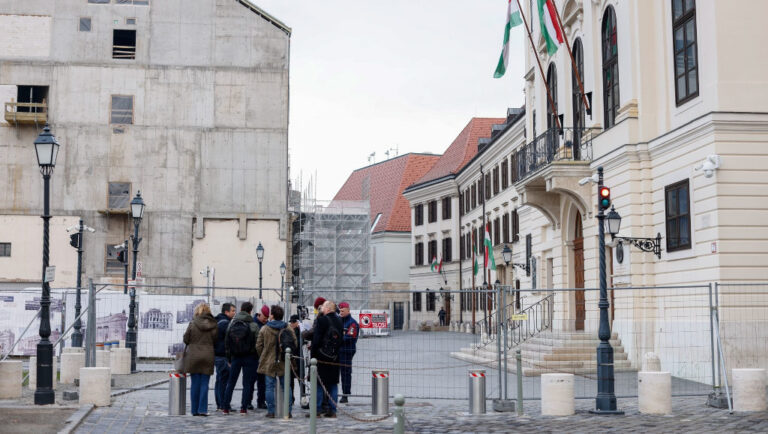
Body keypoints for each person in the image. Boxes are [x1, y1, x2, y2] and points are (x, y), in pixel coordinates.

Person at [256, 305, 297, 418]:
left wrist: (264, 355)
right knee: (286, 387)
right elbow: (295, 343)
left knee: (269, 387)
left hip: (269, 361)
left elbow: (258, 345)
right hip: (284, 361)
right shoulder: (288, 328)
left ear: (272, 315)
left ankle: (271, 411)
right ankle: (288, 411)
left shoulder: (265, 328)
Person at [222, 302, 259, 415]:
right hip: (250, 357)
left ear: (241, 309)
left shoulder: (232, 323)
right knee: (247, 384)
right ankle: (243, 408)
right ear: (250, 311)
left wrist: (229, 358)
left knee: (231, 382)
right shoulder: (253, 325)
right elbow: (258, 343)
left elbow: (227, 342)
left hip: (235, 357)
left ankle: (226, 407)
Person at [183, 302, 218, 417]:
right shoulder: (213, 324)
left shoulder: (193, 323)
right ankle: (202, 409)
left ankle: (194, 410)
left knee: (195, 384)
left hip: (194, 356)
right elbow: (215, 339)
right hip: (208, 355)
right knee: (204, 384)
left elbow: (186, 339)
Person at [310, 300, 343, 418]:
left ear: (328, 308)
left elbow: (316, 340)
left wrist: (313, 356)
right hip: (335, 357)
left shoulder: (321, 320)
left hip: (321, 357)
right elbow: (341, 340)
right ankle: (332, 410)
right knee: (333, 384)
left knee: (318, 384)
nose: (321, 308)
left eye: (323, 306)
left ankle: (317, 410)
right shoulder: (340, 320)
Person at [214, 303, 236, 412]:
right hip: (222, 355)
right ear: (226, 312)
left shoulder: (217, 321)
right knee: (223, 380)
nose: (234, 313)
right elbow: (229, 341)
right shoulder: (225, 324)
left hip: (217, 355)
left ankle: (219, 403)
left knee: (219, 380)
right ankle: (223, 404)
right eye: (232, 311)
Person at [338, 302, 358, 404]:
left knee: (345, 374)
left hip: (347, 351)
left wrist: (337, 339)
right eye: (340, 311)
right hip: (338, 351)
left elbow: (350, 337)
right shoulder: (338, 321)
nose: (341, 313)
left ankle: (345, 394)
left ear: (348, 310)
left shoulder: (352, 323)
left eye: (343, 311)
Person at [250, 304, 269, 410]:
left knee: (262, 382)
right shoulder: (253, 323)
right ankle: (248, 401)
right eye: (264, 318)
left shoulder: (267, 324)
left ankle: (261, 401)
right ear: (259, 314)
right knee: (251, 381)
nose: (265, 320)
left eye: (267, 318)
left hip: (263, 358)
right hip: (253, 357)